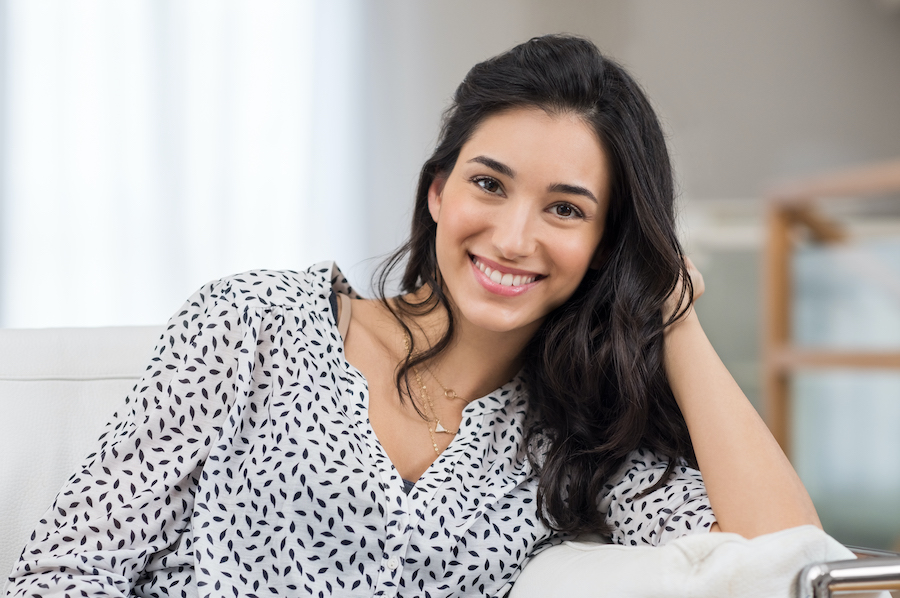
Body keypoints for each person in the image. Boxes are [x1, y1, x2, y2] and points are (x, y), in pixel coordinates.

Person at [5, 34, 820, 598]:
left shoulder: (579, 440)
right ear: (438, 192)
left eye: (566, 210)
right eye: (489, 184)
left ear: (608, 247)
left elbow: (788, 565)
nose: (512, 236)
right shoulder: (253, 322)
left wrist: (671, 309)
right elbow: (64, 573)